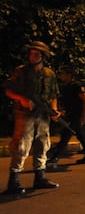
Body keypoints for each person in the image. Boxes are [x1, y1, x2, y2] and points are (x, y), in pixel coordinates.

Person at [3, 41, 59, 194]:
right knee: (21, 146)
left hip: (43, 116)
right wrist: (22, 99)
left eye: (36, 54)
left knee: (43, 145)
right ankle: (13, 181)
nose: (32, 57)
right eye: (31, 54)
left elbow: (54, 94)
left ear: (43, 56)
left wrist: (54, 110)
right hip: (25, 115)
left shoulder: (49, 74)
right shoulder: (21, 71)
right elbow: (8, 90)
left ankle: (40, 178)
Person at [46, 65, 85, 165]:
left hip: (76, 115)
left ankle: (56, 157)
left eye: (63, 74)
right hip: (71, 115)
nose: (61, 76)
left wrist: (83, 115)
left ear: (69, 75)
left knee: (65, 136)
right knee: (81, 135)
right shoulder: (67, 86)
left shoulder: (77, 85)